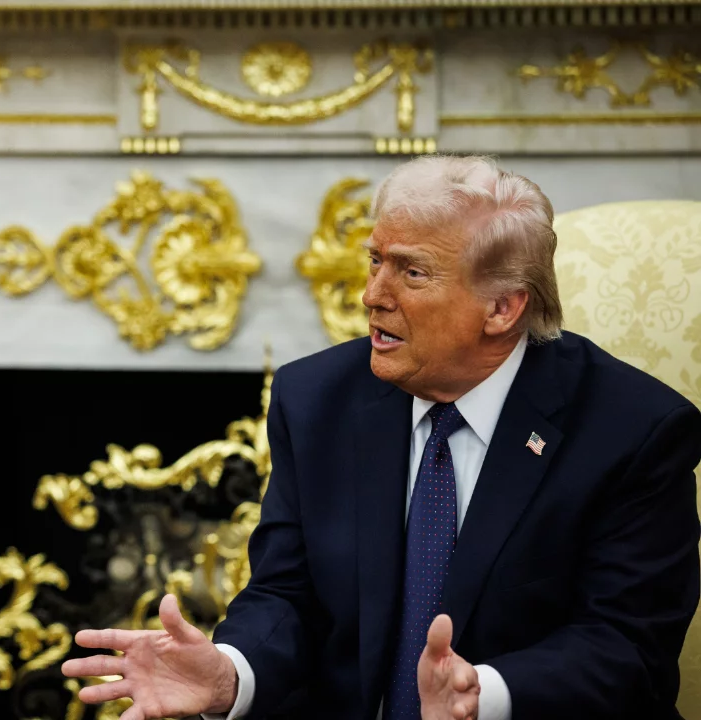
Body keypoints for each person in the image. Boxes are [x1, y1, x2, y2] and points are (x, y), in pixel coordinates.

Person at [63, 155, 701, 720]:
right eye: (375, 260)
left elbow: (627, 645)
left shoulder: (635, 431)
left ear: (502, 308)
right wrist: (232, 674)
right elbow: (288, 594)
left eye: (412, 273)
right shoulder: (316, 399)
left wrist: (485, 695)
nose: (372, 295)